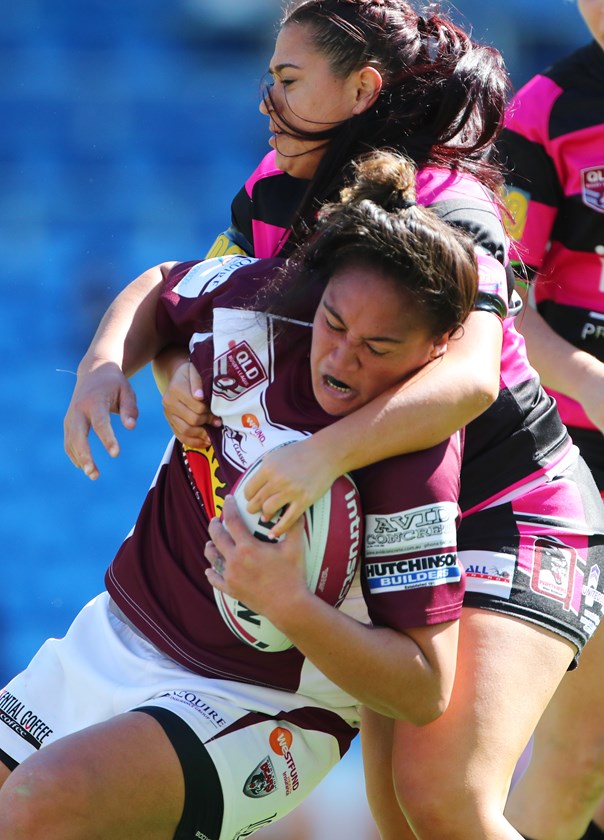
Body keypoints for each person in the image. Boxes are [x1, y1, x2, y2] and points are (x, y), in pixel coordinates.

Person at [61, 1, 604, 839]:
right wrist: (157, 376)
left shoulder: (449, 202)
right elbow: (189, 305)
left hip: (508, 510)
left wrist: (321, 457)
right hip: (399, 516)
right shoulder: (274, 189)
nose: (264, 102)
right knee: (397, 817)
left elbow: (466, 382)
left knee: (446, 800)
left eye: (285, 80)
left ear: (360, 90)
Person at [0, 151, 477, 839]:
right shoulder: (269, 301)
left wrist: (287, 603)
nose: (342, 359)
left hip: (261, 705)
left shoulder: (417, 459)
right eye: (336, 325)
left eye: (378, 347)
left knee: (43, 804)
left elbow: (424, 687)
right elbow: (161, 287)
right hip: (116, 635)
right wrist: (104, 368)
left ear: (435, 351)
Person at [496, 2, 604, 839]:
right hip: (583, 455)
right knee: (579, 761)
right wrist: (585, 378)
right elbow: (500, 306)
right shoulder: (543, 111)